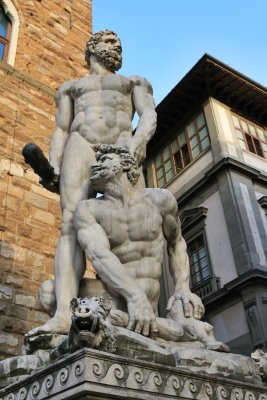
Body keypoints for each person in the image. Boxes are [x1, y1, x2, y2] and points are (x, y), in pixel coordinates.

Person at [28, 30, 157, 336]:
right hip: (81, 144)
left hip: (122, 144)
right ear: (93, 47)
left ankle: (133, 306)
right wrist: (55, 166)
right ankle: (63, 314)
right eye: (111, 41)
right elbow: (61, 129)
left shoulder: (134, 82)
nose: (118, 46)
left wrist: (137, 145)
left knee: (131, 221)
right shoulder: (71, 88)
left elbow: (149, 115)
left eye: (119, 43)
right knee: (70, 223)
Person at [73, 144, 222, 347]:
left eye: (105, 159)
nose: (97, 165)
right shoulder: (89, 209)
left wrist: (182, 287)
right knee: (48, 294)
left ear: (125, 165)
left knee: (183, 305)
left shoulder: (159, 200)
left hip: (149, 299)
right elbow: (99, 255)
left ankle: (149, 325)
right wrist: (134, 295)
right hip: (114, 296)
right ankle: (162, 329)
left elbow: (177, 243)